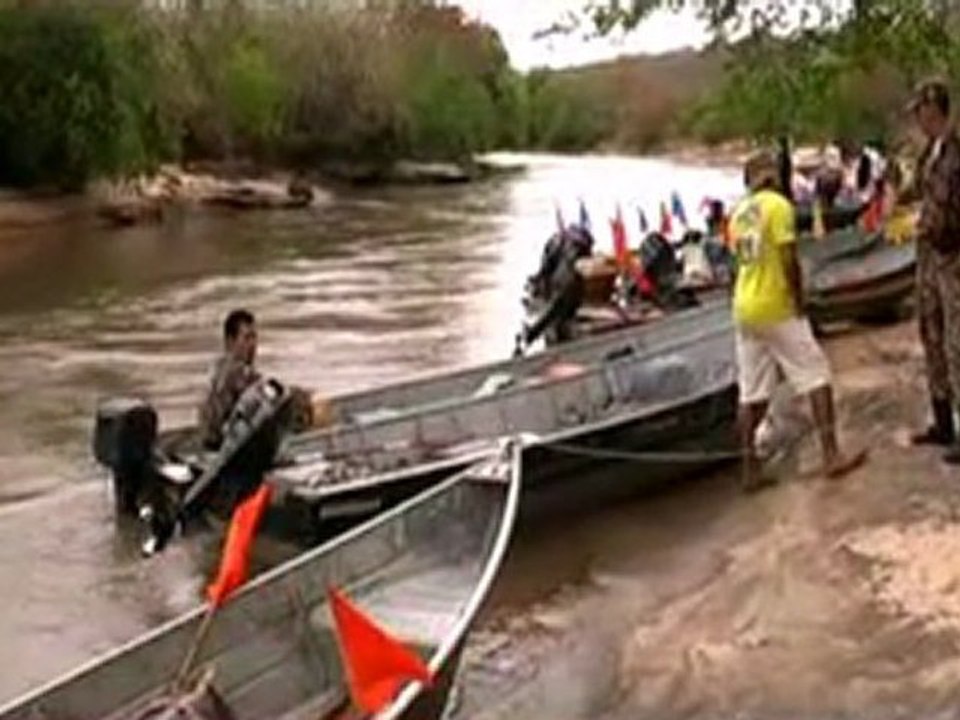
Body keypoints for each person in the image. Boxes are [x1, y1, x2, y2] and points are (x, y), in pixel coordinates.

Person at [729, 149, 867, 492]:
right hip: (777, 305)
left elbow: (741, 264)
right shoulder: (778, 207)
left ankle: (749, 470)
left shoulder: (737, 214)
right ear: (770, 177)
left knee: (752, 393)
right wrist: (799, 299)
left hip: (745, 308)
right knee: (816, 375)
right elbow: (788, 258)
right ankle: (831, 455)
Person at [907, 80, 960, 459]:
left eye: (923, 113)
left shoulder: (956, 153)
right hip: (928, 256)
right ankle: (942, 421)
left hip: (953, 256)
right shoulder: (930, 153)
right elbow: (920, 192)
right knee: (931, 334)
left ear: (936, 110)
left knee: (957, 341)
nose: (919, 121)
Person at [518, 224, 593, 351]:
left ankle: (538, 335)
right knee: (556, 317)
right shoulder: (571, 267)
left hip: (561, 291)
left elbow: (547, 266)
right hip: (565, 293)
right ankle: (537, 335)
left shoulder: (561, 247)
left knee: (555, 316)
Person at [198, 308, 261, 450]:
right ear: (230, 341)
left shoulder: (218, 366)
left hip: (209, 440)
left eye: (254, 337)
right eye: (246, 338)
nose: (252, 344)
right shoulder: (237, 371)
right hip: (222, 444)